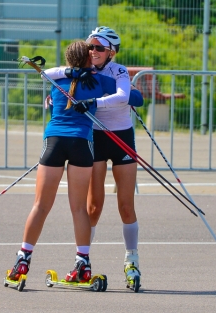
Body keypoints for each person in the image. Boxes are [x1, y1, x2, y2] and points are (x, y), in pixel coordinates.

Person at [7, 40, 121, 284]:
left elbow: (50, 85)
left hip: (55, 142)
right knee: (79, 208)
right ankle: (83, 263)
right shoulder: (98, 81)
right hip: (81, 143)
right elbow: (128, 94)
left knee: (40, 205)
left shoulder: (55, 80)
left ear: (68, 60)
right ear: (88, 59)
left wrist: (69, 73)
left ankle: (23, 260)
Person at [43, 26, 143, 288]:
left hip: (121, 137)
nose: (93, 51)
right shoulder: (80, 70)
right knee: (93, 206)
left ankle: (131, 261)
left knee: (125, 205)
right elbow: (58, 82)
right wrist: (52, 98)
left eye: (99, 47)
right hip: (95, 137)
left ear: (111, 52)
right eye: (90, 47)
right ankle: (82, 261)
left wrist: (94, 102)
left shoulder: (117, 71)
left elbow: (127, 96)